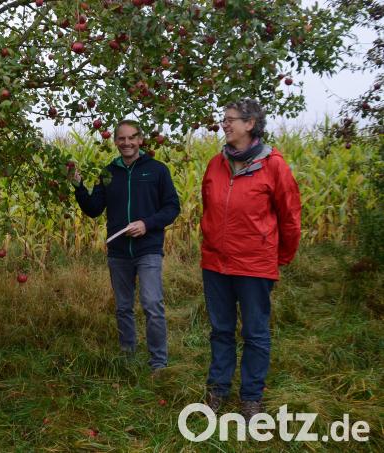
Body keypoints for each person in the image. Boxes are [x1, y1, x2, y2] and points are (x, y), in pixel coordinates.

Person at [200, 99, 301, 420]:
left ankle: (251, 398)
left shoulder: (274, 165)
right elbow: (207, 207)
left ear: (251, 124)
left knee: (255, 333)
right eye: (224, 118)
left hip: (255, 264)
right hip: (215, 263)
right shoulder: (216, 164)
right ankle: (218, 389)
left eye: (231, 119)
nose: (225, 124)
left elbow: (290, 216)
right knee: (220, 330)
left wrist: (279, 257)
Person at [73, 120, 180, 372]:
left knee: (152, 304)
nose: (127, 143)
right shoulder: (108, 173)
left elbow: (172, 207)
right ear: (115, 141)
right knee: (123, 307)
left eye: (132, 138)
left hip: (148, 248)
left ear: (140, 140)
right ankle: (127, 356)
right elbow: (94, 209)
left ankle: (158, 363)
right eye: (121, 138)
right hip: (119, 250)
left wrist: (147, 223)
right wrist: (78, 186)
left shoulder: (156, 170)